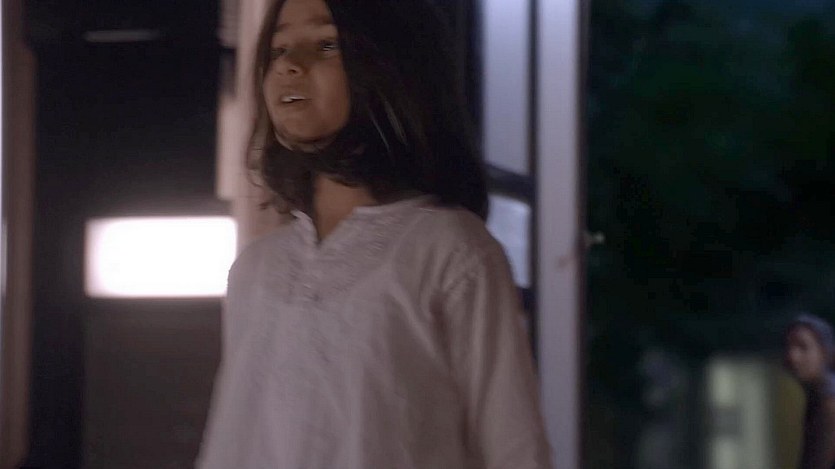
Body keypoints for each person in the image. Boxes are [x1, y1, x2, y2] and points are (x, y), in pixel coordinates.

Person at [195, 0, 553, 467]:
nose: (289, 66)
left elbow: (514, 447)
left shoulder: (450, 253)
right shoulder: (256, 269)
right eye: (279, 49)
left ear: (390, 66)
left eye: (327, 44)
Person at [785, 314, 835, 469]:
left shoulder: (829, 402)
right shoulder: (817, 397)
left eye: (803, 347)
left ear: (825, 352)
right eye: (788, 347)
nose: (792, 356)